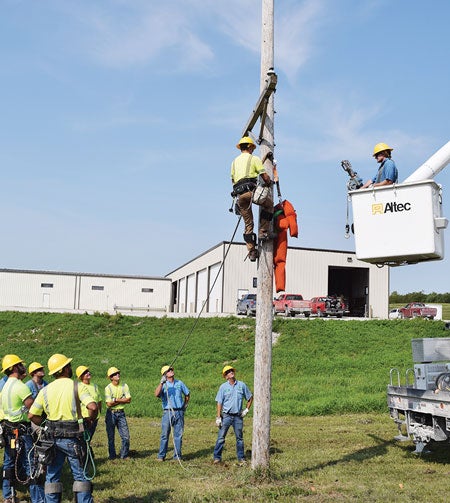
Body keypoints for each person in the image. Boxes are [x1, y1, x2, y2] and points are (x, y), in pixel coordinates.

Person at [28, 354, 98, 503]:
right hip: (74, 439)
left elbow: (32, 415)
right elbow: (92, 406)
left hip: (52, 439)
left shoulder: (45, 390)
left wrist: (45, 424)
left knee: (52, 477)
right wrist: (89, 420)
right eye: (69, 365)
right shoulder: (77, 386)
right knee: (81, 477)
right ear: (65, 369)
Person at [1, 354, 45, 503]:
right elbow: (33, 410)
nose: (23, 367)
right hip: (21, 431)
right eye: (20, 364)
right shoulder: (20, 386)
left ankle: (8, 496)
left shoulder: (5, 386)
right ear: (14, 368)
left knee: (9, 462)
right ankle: (38, 499)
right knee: (30, 464)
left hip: (8, 430)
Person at [231, 136, 273, 261]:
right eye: (252, 148)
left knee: (248, 224)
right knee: (269, 204)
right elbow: (265, 177)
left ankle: (252, 251)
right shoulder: (254, 159)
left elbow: (233, 180)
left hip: (240, 196)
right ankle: (263, 231)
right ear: (249, 147)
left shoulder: (234, 162)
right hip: (251, 191)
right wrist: (269, 182)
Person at [213, 365, 253, 465]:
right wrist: (218, 417)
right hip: (226, 416)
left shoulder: (241, 385)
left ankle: (241, 458)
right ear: (226, 376)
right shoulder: (223, 387)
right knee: (221, 437)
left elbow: (250, 397)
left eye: (231, 371)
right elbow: (219, 402)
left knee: (239, 438)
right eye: (228, 372)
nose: (231, 372)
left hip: (238, 416)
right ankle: (217, 457)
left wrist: (246, 410)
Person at [154, 365, 190, 462]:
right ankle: (161, 456)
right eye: (168, 370)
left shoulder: (179, 383)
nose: (171, 371)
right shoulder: (163, 385)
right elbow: (156, 394)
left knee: (178, 435)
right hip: (168, 412)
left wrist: (185, 405)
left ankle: (177, 456)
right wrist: (161, 383)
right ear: (165, 375)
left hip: (179, 412)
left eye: (171, 369)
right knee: (165, 435)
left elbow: (187, 393)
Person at [104, 367, 131, 460]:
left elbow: (129, 400)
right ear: (111, 377)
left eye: (118, 373)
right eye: (115, 374)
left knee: (126, 437)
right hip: (110, 414)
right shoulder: (108, 388)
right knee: (111, 437)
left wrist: (115, 399)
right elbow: (108, 403)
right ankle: (112, 456)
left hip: (121, 413)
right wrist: (122, 399)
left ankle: (124, 455)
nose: (118, 375)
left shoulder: (124, 386)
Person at [76, 365, 102, 441]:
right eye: (85, 373)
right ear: (81, 376)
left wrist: (99, 413)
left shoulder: (94, 386)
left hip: (95, 417)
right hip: (85, 419)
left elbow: (99, 400)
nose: (88, 373)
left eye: (88, 371)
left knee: (89, 438)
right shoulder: (79, 387)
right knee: (83, 440)